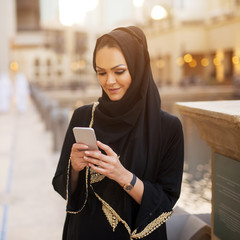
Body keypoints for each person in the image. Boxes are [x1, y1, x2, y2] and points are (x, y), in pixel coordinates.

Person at [52, 26, 184, 239]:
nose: (109, 81)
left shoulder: (167, 127)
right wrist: (75, 168)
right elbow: (63, 186)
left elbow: (167, 200)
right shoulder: (84, 118)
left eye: (119, 71)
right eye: (101, 72)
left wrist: (122, 176)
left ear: (138, 67)